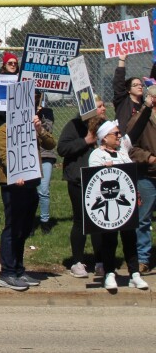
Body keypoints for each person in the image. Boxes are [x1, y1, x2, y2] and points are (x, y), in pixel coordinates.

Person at [0, 105, 55, 291]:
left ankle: (19, 270)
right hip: (13, 185)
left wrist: (39, 130)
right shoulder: (3, 131)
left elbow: (51, 145)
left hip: (31, 183)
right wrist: (17, 172)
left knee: (24, 228)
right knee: (13, 227)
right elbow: (5, 157)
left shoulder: (32, 128)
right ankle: (7, 272)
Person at [89, 119, 148, 291]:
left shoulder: (122, 152)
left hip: (125, 206)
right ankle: (109, 273)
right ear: (104, 138)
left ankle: (134, 274)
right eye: (116, 133)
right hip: (107, 207)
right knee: (109, 239)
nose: (119, 136)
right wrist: (104, 168)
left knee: (130, 237)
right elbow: (93, 181)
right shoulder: (97, 155)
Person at [57, 96, 106, 279]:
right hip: (78, 180)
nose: (103, 109)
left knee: (99, 222)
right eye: (100, 106)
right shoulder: (74, 125)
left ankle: (100, 261)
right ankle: (77, 262)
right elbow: (62, 149)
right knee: (81, 221)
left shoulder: (107, 126)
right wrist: (85, 141)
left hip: (101, 181)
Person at [125, 81, 156, 275]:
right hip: (147, 175)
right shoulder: (141, 119)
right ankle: (143, 258)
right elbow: (129, 147)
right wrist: (149, 158)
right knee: (143, 218)